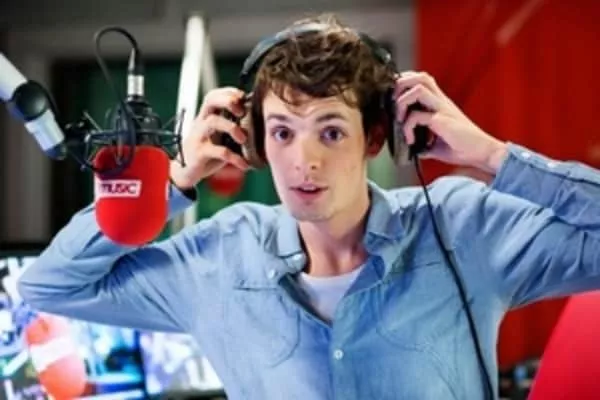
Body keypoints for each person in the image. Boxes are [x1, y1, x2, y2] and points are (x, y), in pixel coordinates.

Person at [16, 14, 600, 400]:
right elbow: (50, 286)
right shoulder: (218, 258)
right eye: (282, 133)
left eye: (331, 132)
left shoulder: (463, 229)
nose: (304, 162)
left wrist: (492, 155)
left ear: (375, 139)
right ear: (253, 141)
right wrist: (174, 179)